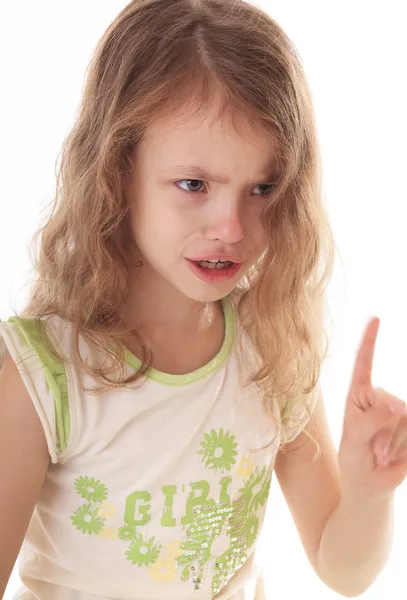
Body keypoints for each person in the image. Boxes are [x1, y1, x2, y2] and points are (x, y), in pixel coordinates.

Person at [3, 0, 407, 599]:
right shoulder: (42, 375)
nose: (233, 226)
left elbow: (343, 570)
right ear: (118, 171)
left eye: (262, 188)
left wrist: (370, 490)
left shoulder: (268, 345)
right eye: (194, 185)